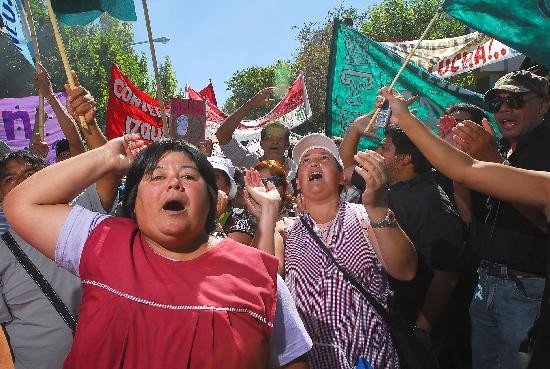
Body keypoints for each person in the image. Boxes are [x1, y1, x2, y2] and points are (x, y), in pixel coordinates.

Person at [4, 135, 312, 369]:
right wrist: (107, 157)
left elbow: (293, 361)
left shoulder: (259, 274)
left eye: (189, 176)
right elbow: (21, 204)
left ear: (212, 199)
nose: (174, 183)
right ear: (134, 201)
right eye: (157, 176)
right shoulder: (102, 241)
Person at [377, 73, 550, 369]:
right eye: (497, 102)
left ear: (544, 105)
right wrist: (462, 166)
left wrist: (491, 162)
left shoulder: (540, 150)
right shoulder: (498, 147)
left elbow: (542, 218)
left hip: (526, 291)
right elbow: (468, 207)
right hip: (486, 284)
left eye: (516, 101)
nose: (504, 109)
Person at [282, 133, 417, 369]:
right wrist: (266, 214)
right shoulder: (285, 229)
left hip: (369, 358)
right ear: (297, 183)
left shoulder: (366, 216)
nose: (314, 162)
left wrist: (376, 205)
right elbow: (264, 290)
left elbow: (405, 271)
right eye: (305, 161)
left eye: (324, 158)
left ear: (342, 180)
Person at [215, 87, 298, 180]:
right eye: (270, 138)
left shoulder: (299, 171)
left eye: (280, 138)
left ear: (287, 145)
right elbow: (222, 135)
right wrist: (250, 105)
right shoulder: (249, 163)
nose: (275, 142)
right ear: (261, 143)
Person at [208, 155, 257, 245]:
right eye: (203, 175)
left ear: (227, 188)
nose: (208, 181)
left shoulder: (240, 218)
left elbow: (226, 256)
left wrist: (213, 219)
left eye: (215, 177)